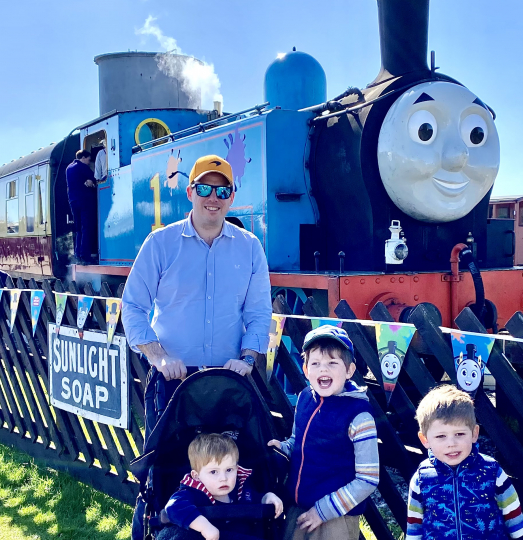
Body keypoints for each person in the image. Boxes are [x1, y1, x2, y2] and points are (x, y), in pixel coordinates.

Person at [123, 155, 272, 540]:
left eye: (222, 190)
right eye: (204, 188)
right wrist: (158, 356)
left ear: (232, 197)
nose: (213, 197)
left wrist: (248, 358)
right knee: (163, 470)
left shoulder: (250, 247)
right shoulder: (160, 243)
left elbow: (258, 312)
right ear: (190, 192)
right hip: (174, 381)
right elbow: (133, 306)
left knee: (230, 473)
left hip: (228, 383)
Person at [268, 325, 379, 540]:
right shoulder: (304, 398)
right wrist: (283, 448)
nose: (323, 370)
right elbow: (296, 441)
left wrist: (323, 511)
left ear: (349, 370)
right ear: (306, 370)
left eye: (332, 363)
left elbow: (368, 479)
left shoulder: (359, 416)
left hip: (334, 519)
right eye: (316, 363)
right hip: (297, 508)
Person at [406, 385, 523, 540]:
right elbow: (414, 529)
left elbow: (515, 520)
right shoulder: (421, 479)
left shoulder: (492, 472)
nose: (452, 443)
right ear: (425, 439)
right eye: (441, 436)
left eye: (459, 434)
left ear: (474, 433)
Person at [157, 433, 283, 540]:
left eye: (229, 470)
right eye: (213, 472)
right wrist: (203, 526)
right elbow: (173, 506)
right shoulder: (193, 492)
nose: (223, 478)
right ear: (196, 476)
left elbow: (255, 499)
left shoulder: (242, 489)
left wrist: (267, 497)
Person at [65, 149, 97, 263]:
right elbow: (95, 177)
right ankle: (85, 255)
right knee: (86, 227)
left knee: (78, 229)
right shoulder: (82, 167)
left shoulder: (69, 168)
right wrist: (91, 182)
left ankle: (77, 254)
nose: (89, 162)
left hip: (73, 201)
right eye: (88, 160)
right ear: (83, 157)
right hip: (84, 200)